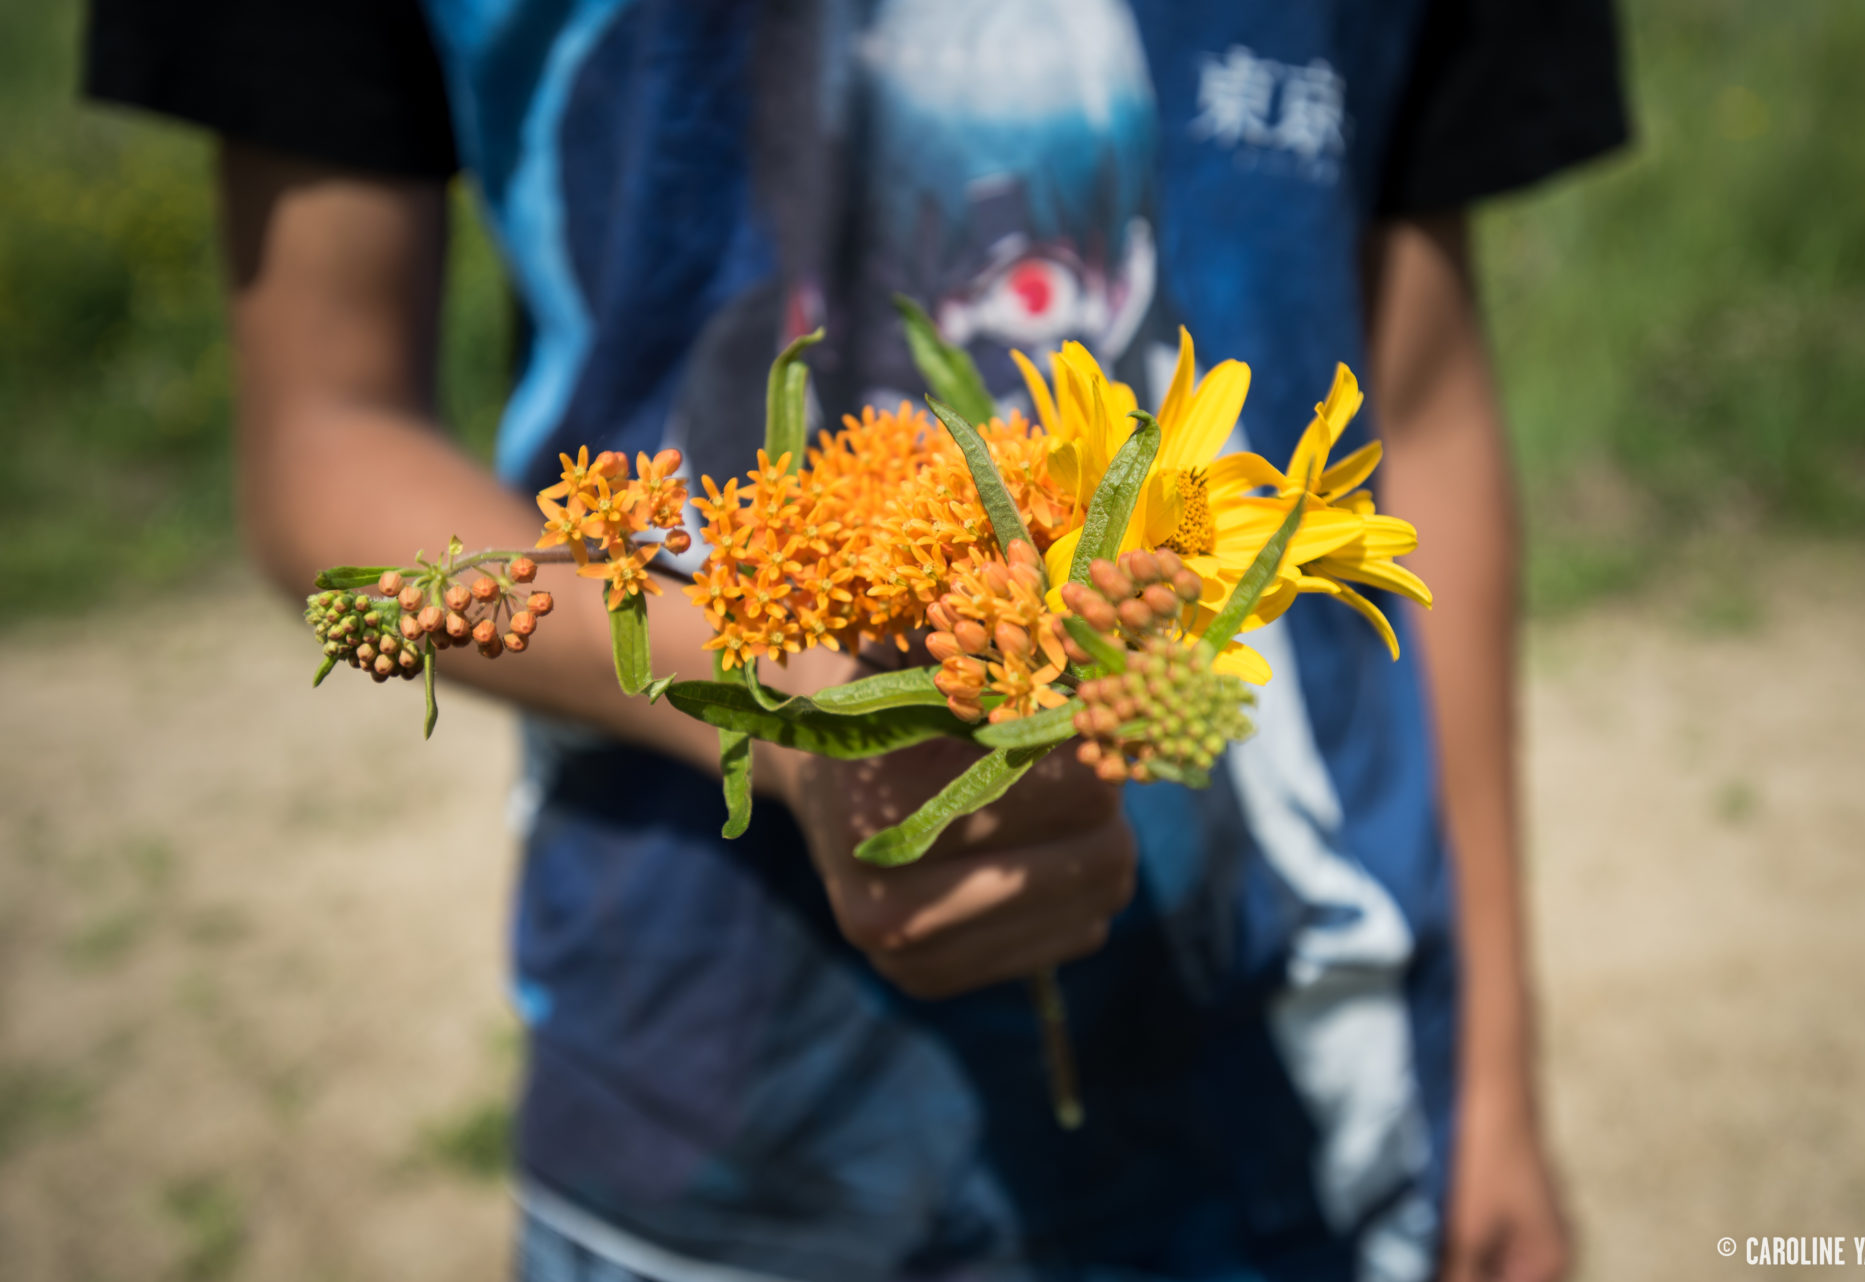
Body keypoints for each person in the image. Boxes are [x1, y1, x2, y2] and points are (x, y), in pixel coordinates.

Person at [87, 1, 1627, 1278]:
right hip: (710, 1130)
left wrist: (1491, 1069)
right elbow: (322, 439)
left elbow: (1415, 411)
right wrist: (769, 694)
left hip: (1317, 1102)